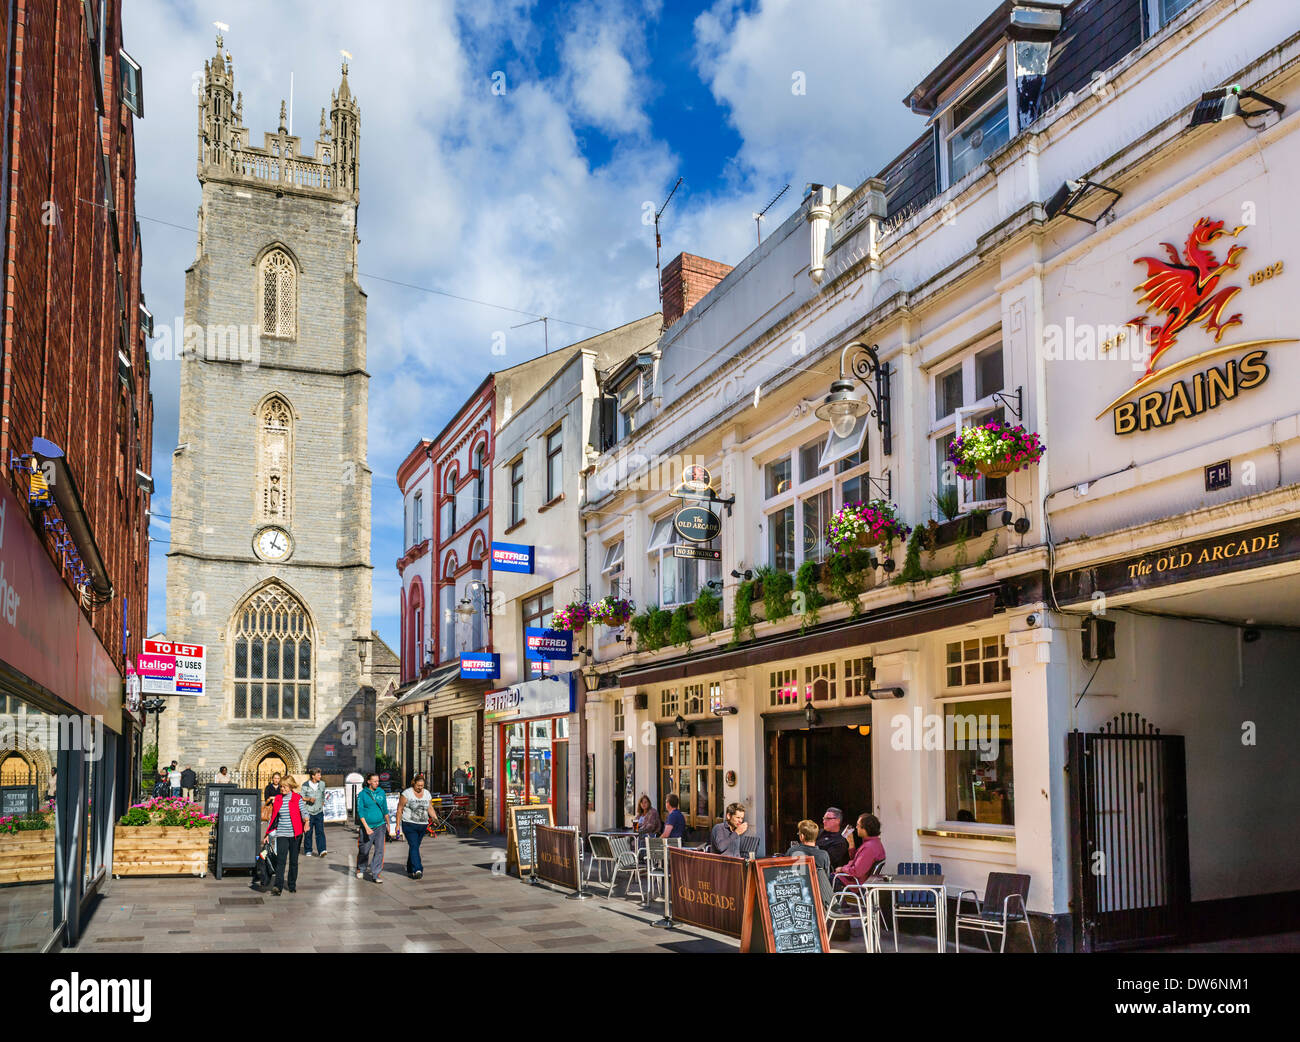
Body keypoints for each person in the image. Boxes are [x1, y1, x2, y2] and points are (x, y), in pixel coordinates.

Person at [262, 775, 306, 895]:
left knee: (293, 861)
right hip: (281, 833)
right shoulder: (278, 799)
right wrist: (267, 834)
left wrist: (306, 822)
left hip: (295, 834)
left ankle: (292, 884)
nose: (282, 789)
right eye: (281, 786)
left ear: (291, 787)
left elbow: (304, 812)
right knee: (281, 860)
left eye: (285, 786)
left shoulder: (297, 798)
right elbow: (273, 817)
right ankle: (278, 886)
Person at [786, 819, 833, 912]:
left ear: (802, 836)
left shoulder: (792, 851)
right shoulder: (823, 854)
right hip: (818, 900)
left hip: (794, 898)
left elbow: (784, 875)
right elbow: (826, 878)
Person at [396, 773, 435, 879]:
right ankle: (418, 869)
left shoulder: (426, 793)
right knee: (414, 846)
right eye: (418, 786)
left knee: (415, 847)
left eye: (422, 786)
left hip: (422, 825)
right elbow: (399, 809)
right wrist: (397, 825)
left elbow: (430, 807)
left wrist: (435, 819)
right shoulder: (407, 793)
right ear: (414, 783)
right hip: (409, 824)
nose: (420, 788)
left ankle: (409, 868)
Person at [355, 772, 389, 883]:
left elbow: (385, 809)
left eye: (378, 781)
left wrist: (389, 824)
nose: (377, 783)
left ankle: (376, 874)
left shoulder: (381, 792)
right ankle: (361, 868)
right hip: (367, 827)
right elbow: (360, 811)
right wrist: (366, 827)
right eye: (374, 781)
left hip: (380, 825)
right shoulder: (362, 794)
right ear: (369, 781)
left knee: (380, 851)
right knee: (364, 850)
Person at [838, 813, 886, 886]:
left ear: (866, 828)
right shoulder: (873, 843)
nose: (856, 827)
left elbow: (857, 872)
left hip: (853, 884)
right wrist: (851, 843)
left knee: (819, 883)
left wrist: (842, 869)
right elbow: (857, 861)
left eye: (858, 825)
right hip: (852, 881)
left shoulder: (869, 847)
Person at [300, 767, 328, 858]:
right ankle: (308, 850)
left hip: (319, 811)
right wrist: (309, 799)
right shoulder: (305, 785)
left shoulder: (322, 784)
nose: (320, 776)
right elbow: (301, 797)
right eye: (318, 774)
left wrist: (322, 802)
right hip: (309, 812)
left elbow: (323, 794)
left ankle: (322, 850)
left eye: (320, 774)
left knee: (320, 831)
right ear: (313, 776)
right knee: (308, 832)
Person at [816, 807, 851, 872]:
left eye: (827, 819)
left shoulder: (840, 841)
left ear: (837, 821)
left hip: (823, 873)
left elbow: (825, 861)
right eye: (824, 818)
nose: (824, 821)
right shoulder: (820, 832)